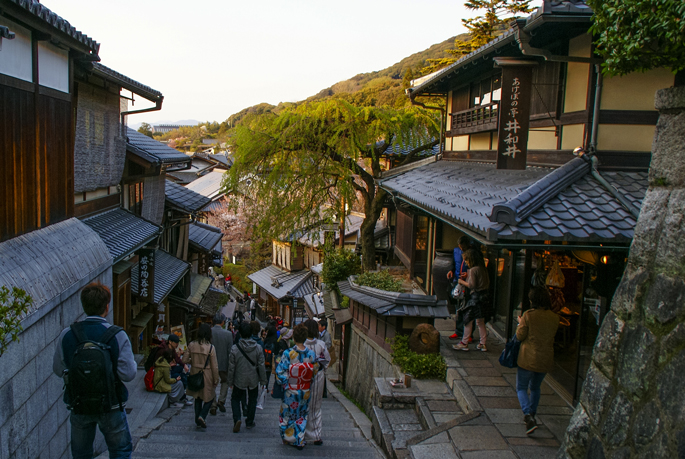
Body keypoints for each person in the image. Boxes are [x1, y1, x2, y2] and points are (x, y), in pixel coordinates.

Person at [53, 282, 137, 459]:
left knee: (81, 454)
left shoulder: (67, 334)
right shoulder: (117, 335)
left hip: (79, 404)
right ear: (107, 307)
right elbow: (128, 374)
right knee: (120, 451)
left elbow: (58, 369)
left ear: (83, 306)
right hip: (111, 404)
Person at [516, 286, 559, 435]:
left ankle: (528, 415)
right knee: (535, 387)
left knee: (521, 387)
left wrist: (520, 322)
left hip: (528, 357)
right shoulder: (555, 317)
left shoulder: (529, 315)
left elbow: (520, 336)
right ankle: (532, 416)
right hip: (545, 357)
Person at [276, 324, 317, 450]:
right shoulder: (311, 354)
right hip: (305, 389)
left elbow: (280, 372)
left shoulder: (288, 353)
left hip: (291, 389)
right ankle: (299, 439)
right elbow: (313, 373)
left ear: (293, 337)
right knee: (302, 415)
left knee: (287, 415)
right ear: (305, 338)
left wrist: (285, 383)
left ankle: (288, 438)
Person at [227, 322, 267, 433]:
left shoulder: (235, 348)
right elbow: (261, 366)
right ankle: (249, 421)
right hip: (253, 378)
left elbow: (231, 367)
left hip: (239, 378)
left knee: (235, 398)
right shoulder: (258, 348)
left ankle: (237, 419)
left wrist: (230, 381)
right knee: (252, 399)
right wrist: (264, 381)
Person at [452, 248, 491, 352]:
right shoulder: (482, 268)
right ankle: (483, 343)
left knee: (468, 320)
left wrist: (461, 281)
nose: (465, 262)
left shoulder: (473, 270)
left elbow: (472, 285)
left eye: (466, 260)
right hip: (484, 297)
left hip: (475, 298)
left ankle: (464, 342)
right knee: (480, 321)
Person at [183, 323, 219, 428]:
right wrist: (216, 379)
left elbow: (184, 360)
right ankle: (202, 416)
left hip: (195, 373)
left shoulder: (191, 345)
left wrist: (193, 361)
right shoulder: (211, 348)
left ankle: (197, 418)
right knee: (210, 397)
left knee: (197, 397)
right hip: (207, 374)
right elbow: (214, 366)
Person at [303, 319, 330, 445]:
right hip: (318, 375)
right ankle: (316, 435)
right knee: (316, 405)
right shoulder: (321, 344)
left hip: (302, 376)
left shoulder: (301, 344)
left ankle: (301, 433)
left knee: (302, 405)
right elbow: (327, 360)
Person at [447, 236, 473, 341]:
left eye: (463, 247)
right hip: (457, 281)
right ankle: (458, 331)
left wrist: (469, 274)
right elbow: (454, 263)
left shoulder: (472, 253)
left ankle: (469, 335)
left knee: (468, 309)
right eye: (460, 246)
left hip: (468, 283)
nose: (461, 248)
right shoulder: (456, 251)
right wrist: (451, 270)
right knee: (458, 309)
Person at [210, 313, 234, 416]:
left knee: (211, 384)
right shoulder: (228, 334)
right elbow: (230, 351)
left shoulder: (209, 332)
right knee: (225, 381)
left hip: (211, 363)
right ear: (223, 322)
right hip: (224, 362)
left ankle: (213, 404)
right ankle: (221, 400)